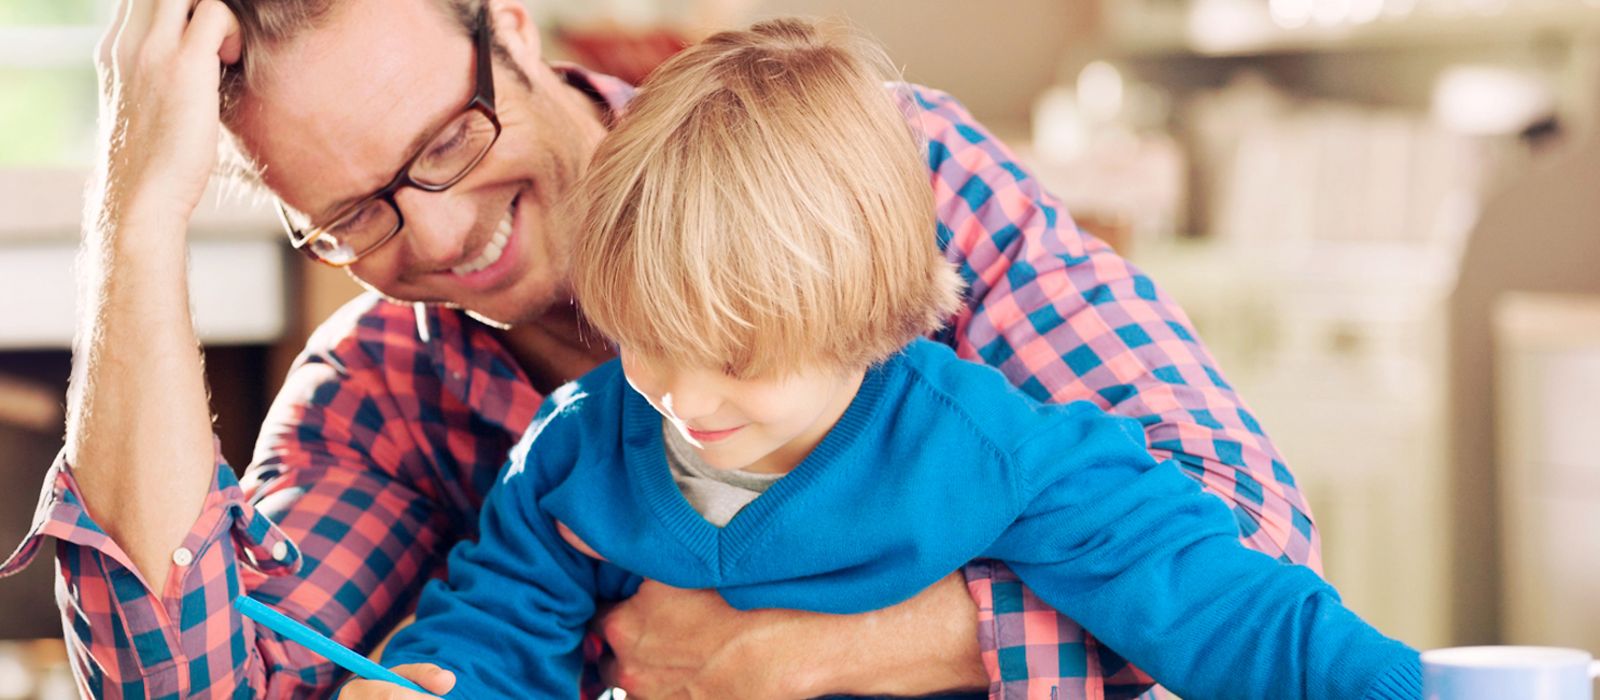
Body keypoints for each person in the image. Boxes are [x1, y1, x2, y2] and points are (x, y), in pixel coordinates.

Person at [0, 0, 1319, 698]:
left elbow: (1248, 546)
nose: (445, 233)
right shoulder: (383, 395)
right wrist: (134, 218)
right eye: (352, 215)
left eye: (448, 141)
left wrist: (815, 653)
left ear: (508, 24)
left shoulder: (863, 174)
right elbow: (198, 692)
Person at [373, 19, 1421, 700]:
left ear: (858, 311)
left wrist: (1408, 690)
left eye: (735, 352)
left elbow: (1210, 594)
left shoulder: (977, 442)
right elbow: (501, 624)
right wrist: (436, 681)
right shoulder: (574, 454)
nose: (682, 398)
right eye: (649, 341)